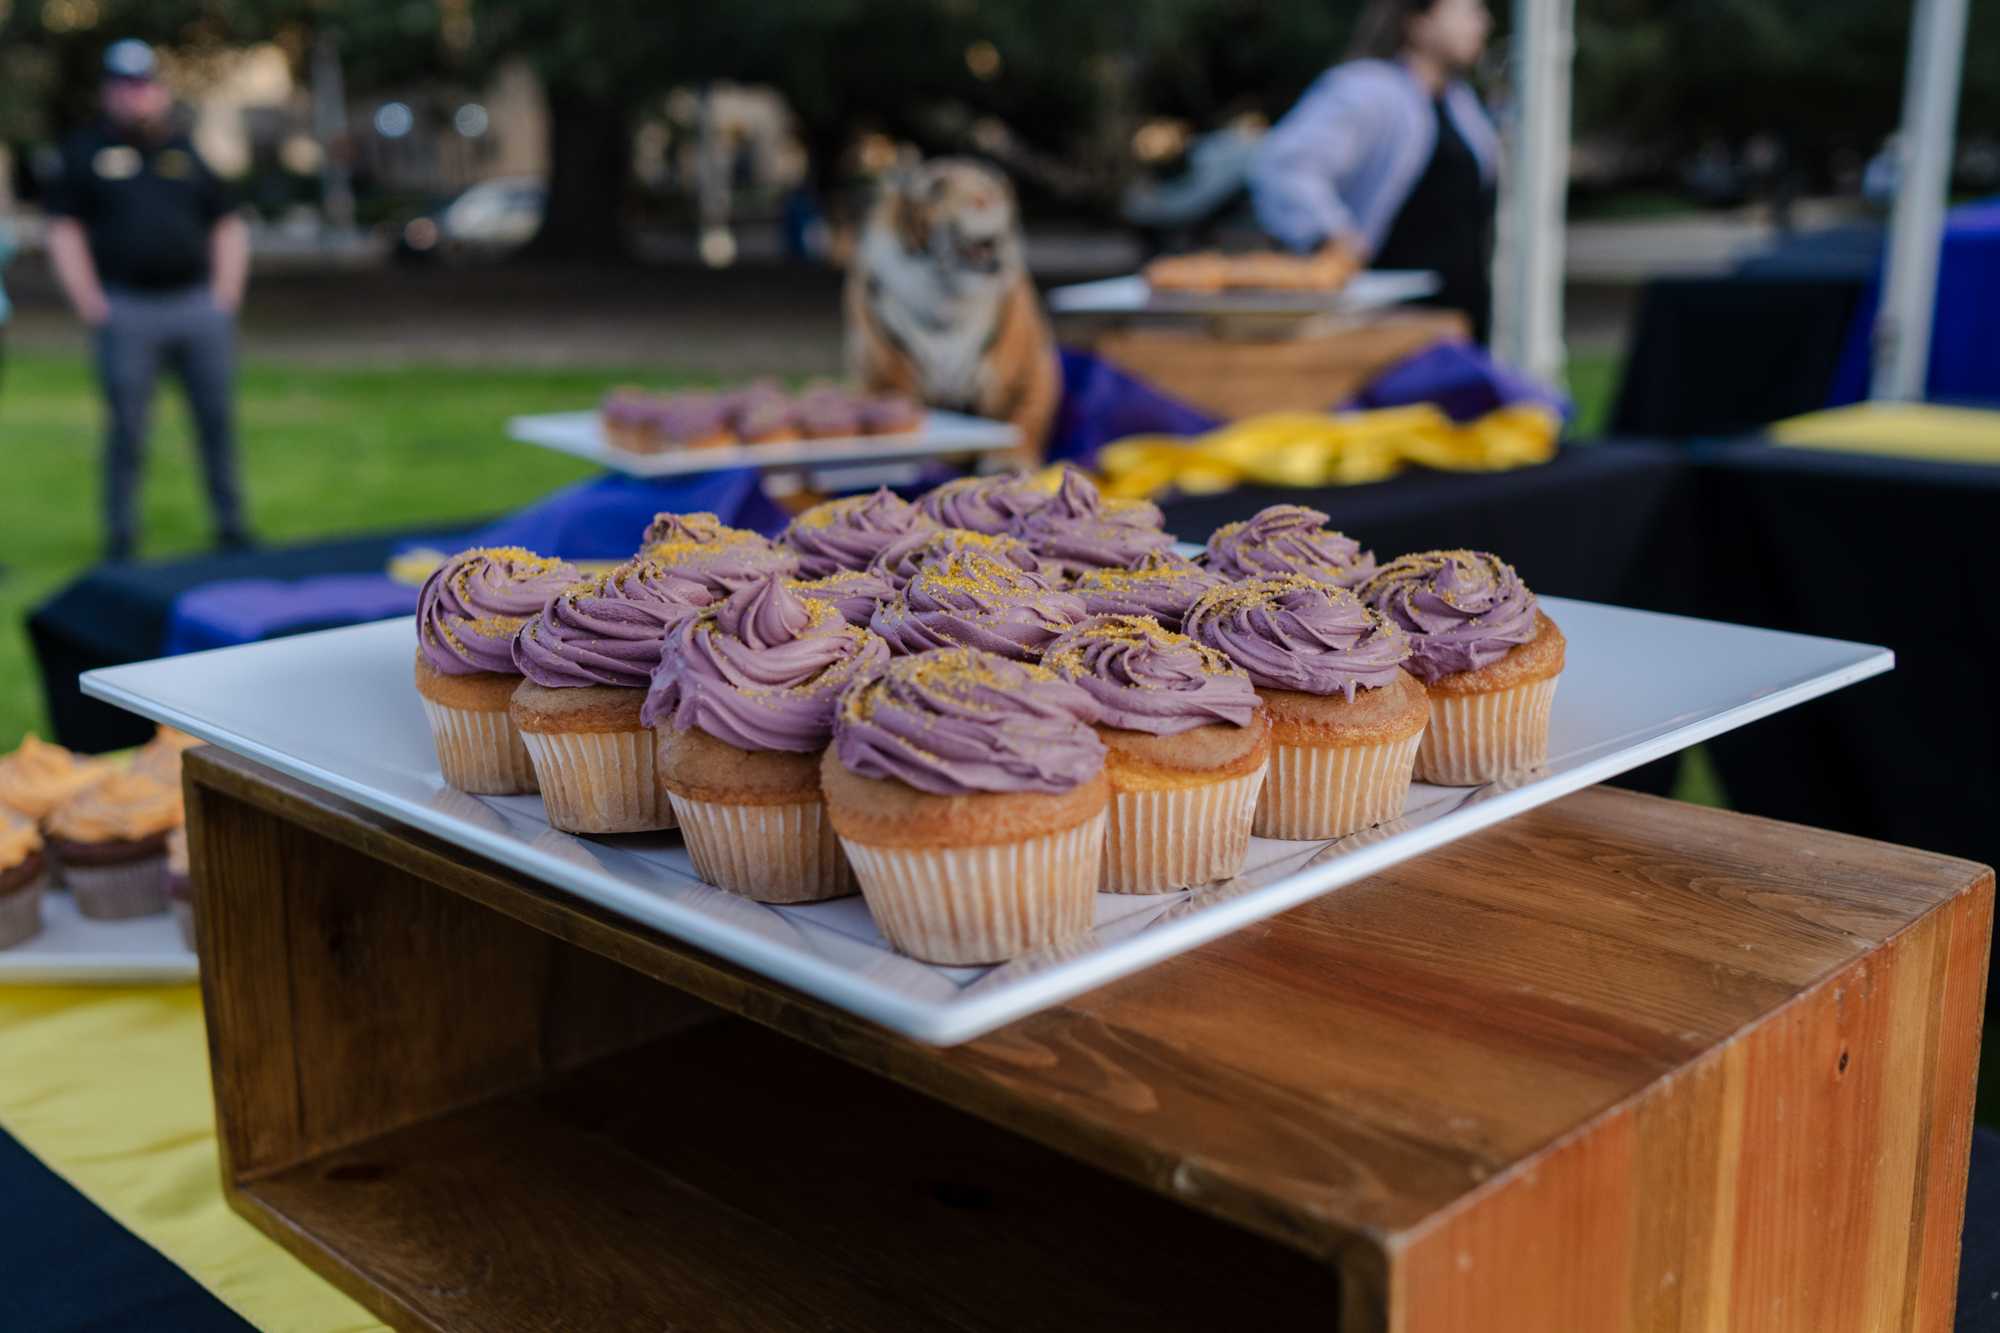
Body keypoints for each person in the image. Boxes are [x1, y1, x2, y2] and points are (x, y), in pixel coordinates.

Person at [44, 38, 252, 563]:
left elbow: (226, 223)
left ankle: (232, 529)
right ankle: (121, 539)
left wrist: (225, 294)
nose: (134, 97)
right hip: (128, 309)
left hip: (196, 307)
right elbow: (64, 231)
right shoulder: (84, 152)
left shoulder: (184, 152)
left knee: (216, 421)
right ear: (108, 92)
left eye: (142, 86)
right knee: (127, 430)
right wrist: (89, 300)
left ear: (157, 91)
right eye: (123, 87)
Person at [1249, 0, 1499, 342]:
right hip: (1388, 320)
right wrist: (1332, 232)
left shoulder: (1462, 105)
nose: (1482, 21)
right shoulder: (1368, 92)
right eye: (1466, 8)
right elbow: (1284, 166)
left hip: (1461, 316)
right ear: (1418, 23)